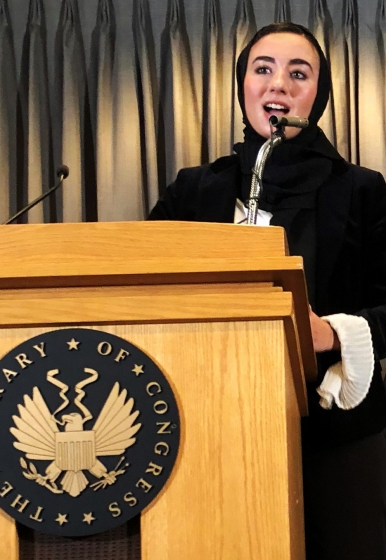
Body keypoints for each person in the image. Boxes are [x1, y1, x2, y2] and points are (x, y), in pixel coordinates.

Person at [148, 22, 386, 560]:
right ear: (244, 86)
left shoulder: (362, 191)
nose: (278, 84)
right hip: (204, 424)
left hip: (335, 435)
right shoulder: (194, 189)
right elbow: (143, 286)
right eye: (263, 69)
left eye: (298, 73)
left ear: (317, 94)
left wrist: (330, 332)